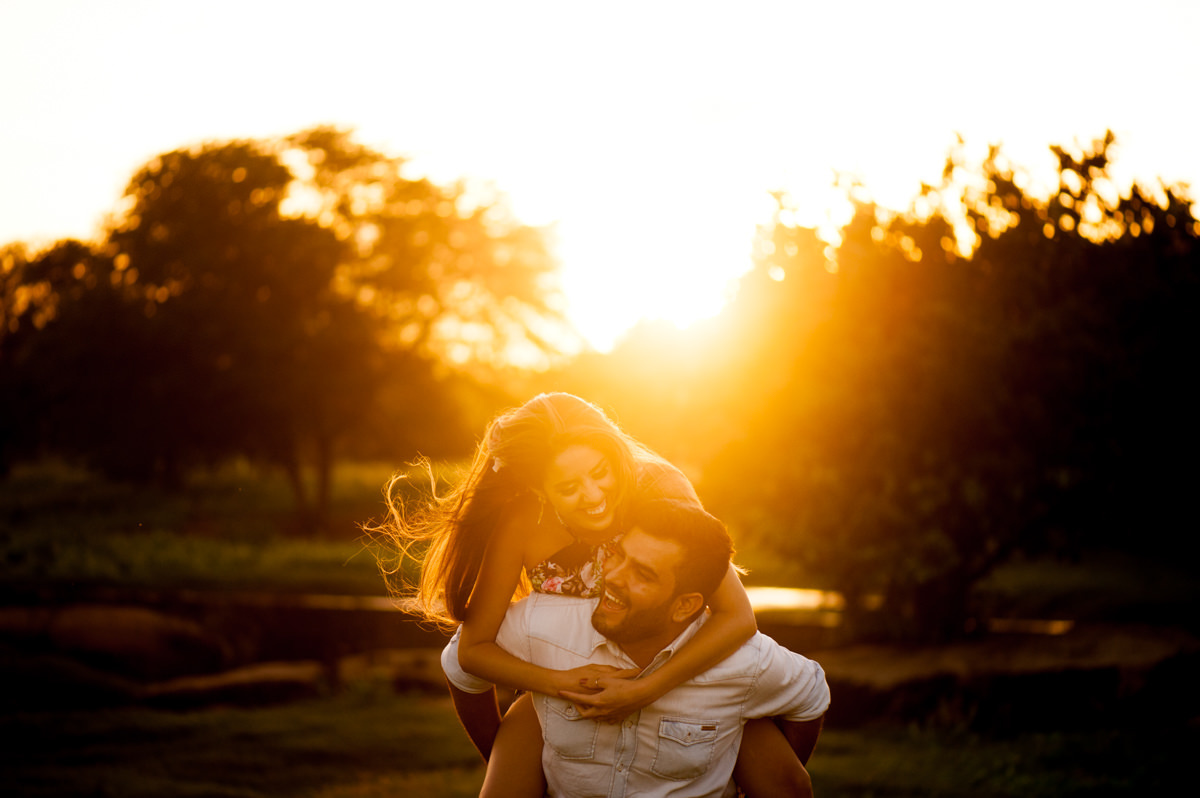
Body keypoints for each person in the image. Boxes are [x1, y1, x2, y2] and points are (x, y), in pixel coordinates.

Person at [373, 392, 808, 797]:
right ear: (541, 489)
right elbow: (472, 649)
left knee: (790, 783)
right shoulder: (524, 520)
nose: (594, 495)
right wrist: (559, 686)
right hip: (571, 667)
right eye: (569, 488)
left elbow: (737, 616)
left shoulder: (661, 489)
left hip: (669, 660)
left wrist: (647, 689)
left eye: (602, 473)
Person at [442, 497, 830, 798]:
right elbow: (463, 663)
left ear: (685, 605)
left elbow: (811, 697)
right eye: (619, 555)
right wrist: (505, 757)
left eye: (642, 574)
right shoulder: (544, 627)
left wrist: (758, 763)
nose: (611, 577)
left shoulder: (744, 664)